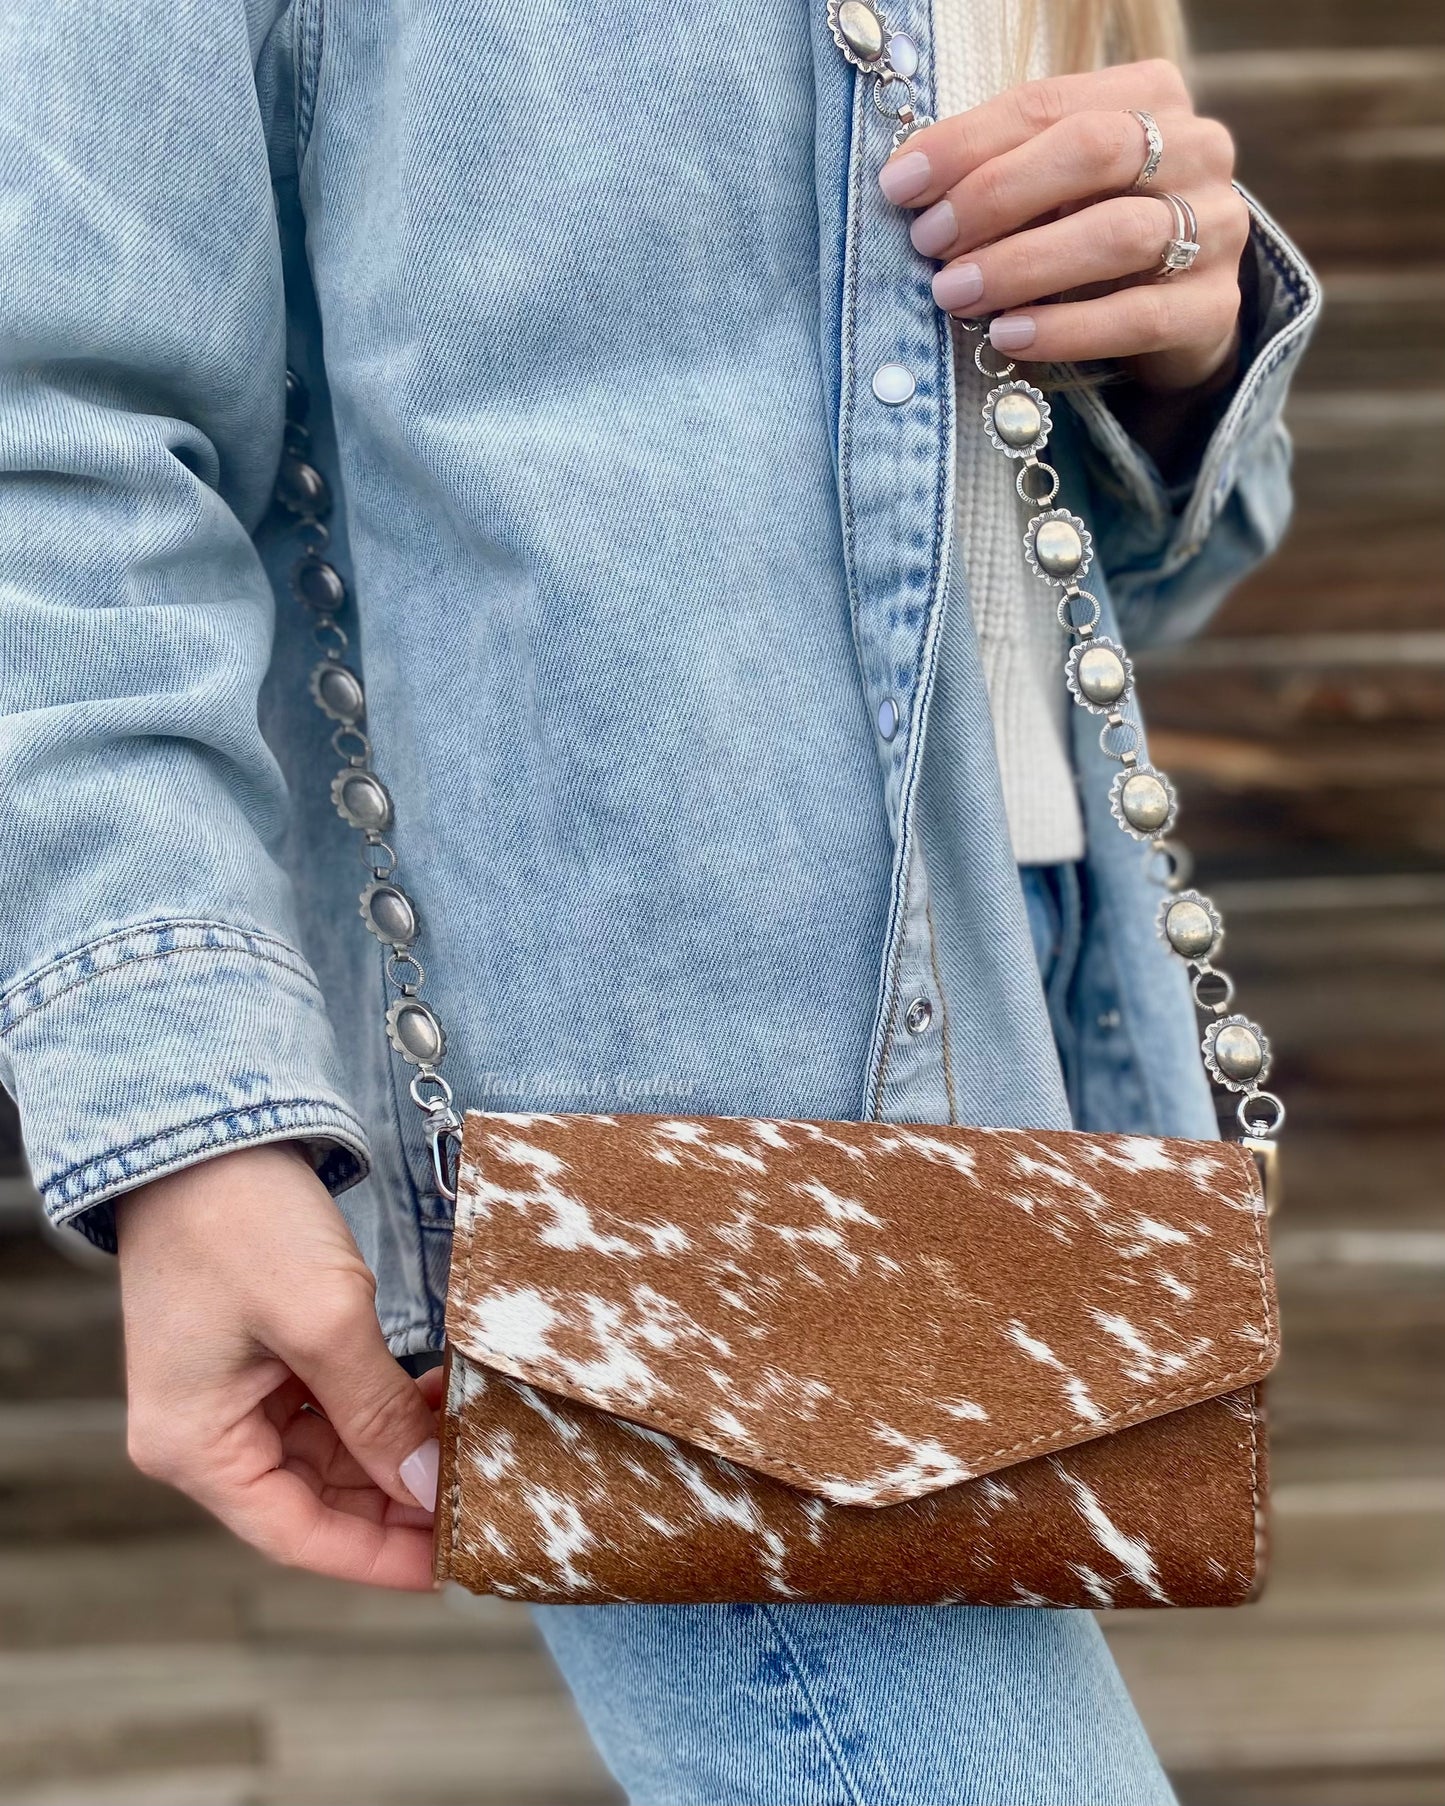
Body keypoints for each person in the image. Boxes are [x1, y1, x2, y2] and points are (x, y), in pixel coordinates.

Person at [0, 0, 1318, 1799]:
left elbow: (1022, 579)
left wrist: (1181, 339)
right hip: (643, 1121)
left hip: (1035, 1005)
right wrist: (177, 1111)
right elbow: (50, 432)